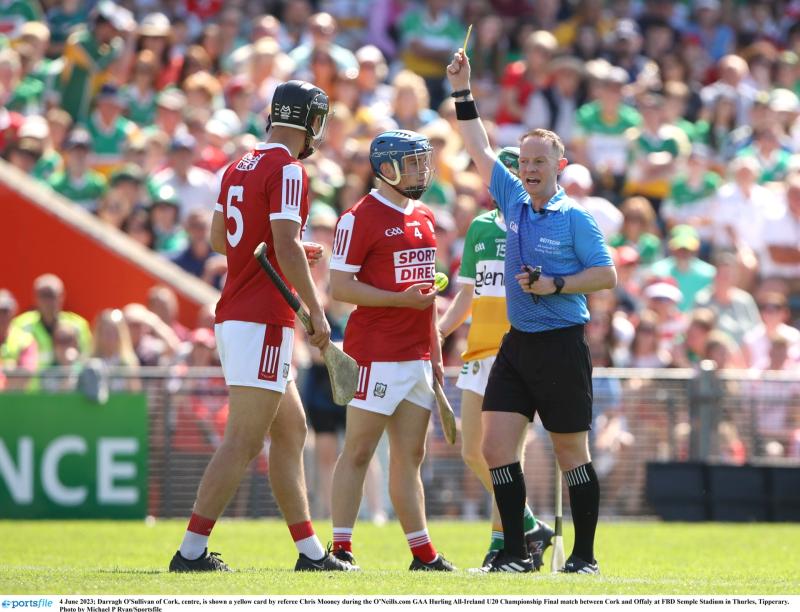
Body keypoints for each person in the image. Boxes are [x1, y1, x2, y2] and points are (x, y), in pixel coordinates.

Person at [169, 80, 352, 573]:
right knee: (245, 442)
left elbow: (217, 237)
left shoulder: (239, 164)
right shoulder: (288, 168)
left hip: (238, 314)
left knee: (291, 432)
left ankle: (311, 553)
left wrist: (278, 249)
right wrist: (316, 313)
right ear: (312, 121)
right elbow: (286, 246)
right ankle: (190, 551)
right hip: (261, 320)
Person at [446, 47, 617, 573]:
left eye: (540, 161)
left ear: (559, 167)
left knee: (572, 456)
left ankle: (584, 558)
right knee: (496, 448)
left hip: (563, 344)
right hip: (517, 345)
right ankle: (517, 553)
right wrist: (462, 90)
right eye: (523, 161)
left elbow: (606, 275)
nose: (530, 169)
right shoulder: (512, 199)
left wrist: (554, 284)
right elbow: (476, 145)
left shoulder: (577, 219)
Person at [328, 129, 454, 572]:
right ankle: (340, 548)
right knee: (359, 451)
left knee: (411, 458)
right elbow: (339, 286)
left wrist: (435, 350)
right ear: (386, 168)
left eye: (424, 161)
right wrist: (400, 299)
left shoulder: (424, 216)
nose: (423, 170)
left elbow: (428, 291)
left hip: (417, 354)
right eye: (414, 162)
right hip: (374, 354)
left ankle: (423, 554)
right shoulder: (358, 217)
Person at [438, 146, 554, 570]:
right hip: (479, 351)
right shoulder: (480, 228)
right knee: (473, 450)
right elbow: (466, 293)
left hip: (518, 352)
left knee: (504, 455)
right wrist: (440, 329)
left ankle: (501, 547)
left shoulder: (538, 226)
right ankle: (526, 524)